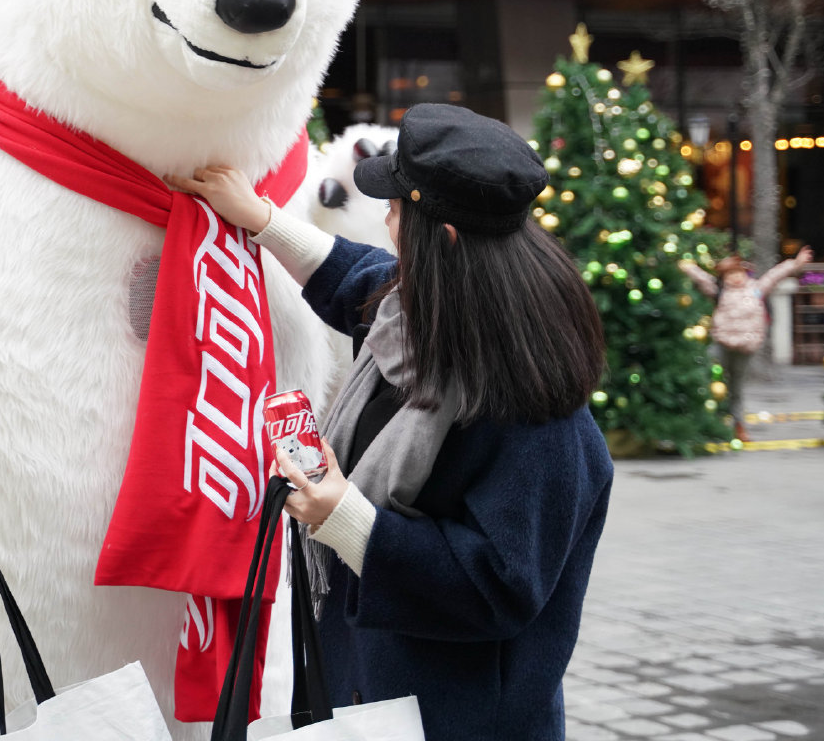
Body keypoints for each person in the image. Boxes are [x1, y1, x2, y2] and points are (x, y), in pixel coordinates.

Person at [168, 103, 612, 741]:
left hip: (462, 718)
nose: (386, 218)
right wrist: (262, 221)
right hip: (369, 694)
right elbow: (358, 278)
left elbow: (501, 587)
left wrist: (344, 518)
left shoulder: (537, 408)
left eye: (399, 207)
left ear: (447, 238)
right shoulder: (427, 312)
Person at [679, 246, 812, 442]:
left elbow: (774, 275)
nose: (735, 277)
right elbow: (702, 279)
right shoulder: (719, 291)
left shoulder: (756, 289)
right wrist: (686, 266)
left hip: (745, 346)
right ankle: (713, 424)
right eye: (730, 273)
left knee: (736, 388)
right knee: (713, 383)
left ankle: (738, 425)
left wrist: (796, 263)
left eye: (738, 272)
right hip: (722, 343)